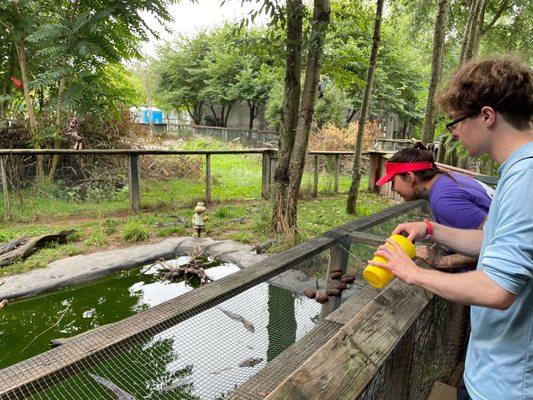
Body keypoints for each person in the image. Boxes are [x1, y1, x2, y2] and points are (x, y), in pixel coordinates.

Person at [368, 57, 532, 400]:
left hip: (508, 383)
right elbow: (490, 241)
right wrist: (431, 228)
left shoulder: (526, 178)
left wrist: (411, 272)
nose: (454, 131)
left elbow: (497, 290)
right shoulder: (515, 172)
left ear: (487, 116)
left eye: (456, 121)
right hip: (491, 366)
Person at [376, 142, 493, 271]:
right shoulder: (447, 179)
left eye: (393, 181)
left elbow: (493, 244)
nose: (392, 188)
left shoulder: (443, 200)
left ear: (410, 177)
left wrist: (442, 261)